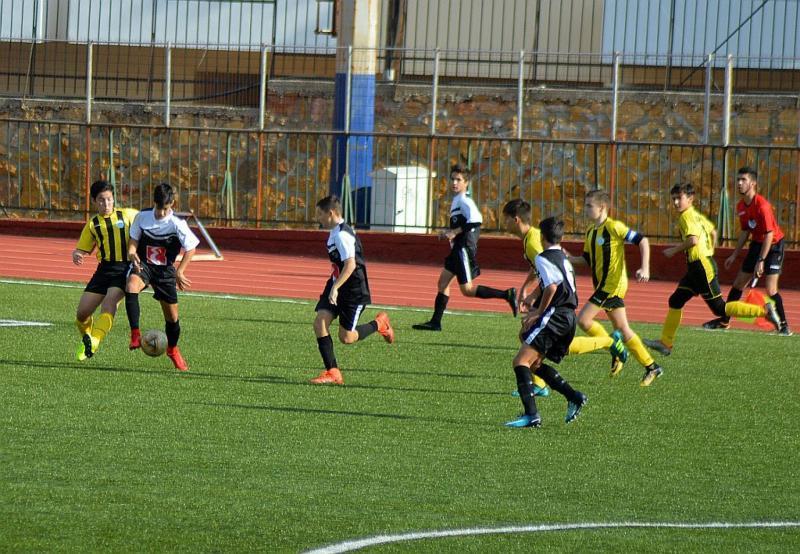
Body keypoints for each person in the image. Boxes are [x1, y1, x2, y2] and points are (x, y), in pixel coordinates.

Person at [643, 183, 781, 371]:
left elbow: (693, 240)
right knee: (676, 300)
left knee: (719, 308)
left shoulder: (686, 216)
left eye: (679, 198)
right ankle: (665, 343)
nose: (675, 202)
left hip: (700, 266)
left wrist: (673, 250)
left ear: (690, 199)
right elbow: (713, 231)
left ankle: (764, 311)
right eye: (673, 198)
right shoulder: (696, 215)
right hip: (698, 266)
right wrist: (710, 251)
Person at [501, 198, 628, 396]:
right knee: (533, 337)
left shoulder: (534, 242)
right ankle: (539, 383)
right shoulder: (530, 239)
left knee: (537, 337)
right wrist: (528, 289)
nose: (503, 223)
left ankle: (608, 343)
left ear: (515, 219)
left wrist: (536, 302)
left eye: (505, 219)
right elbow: (539, 269)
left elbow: (550, 274)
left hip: (556, 301)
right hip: (554, 299)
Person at [565, 190, 663, 387]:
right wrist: (568, 258)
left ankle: (614, 348)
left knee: (583, 320)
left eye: (589, 206)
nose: (585, 209)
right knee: (623, 330)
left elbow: (642, 240)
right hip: (603, 285)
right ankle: (652, 367)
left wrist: (645, 267)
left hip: (612, 285)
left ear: (602, 207)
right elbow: (587, 260)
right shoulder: (591, 231)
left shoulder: (614, 227)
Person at [505, 216, 588, 428]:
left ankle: (531, 415)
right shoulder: (563, 257)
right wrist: (534, 299)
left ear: (542, 237)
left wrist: (538, 314)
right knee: (534, 363)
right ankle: (574, 396)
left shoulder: (543, 258)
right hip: (568, 317)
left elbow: (551, 287)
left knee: (520, 362)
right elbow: (556, 284)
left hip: (556, 316)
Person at [413, 164, 517, 331]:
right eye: (452, 179)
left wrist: (454, 232)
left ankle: (507, 294)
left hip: (463, 250)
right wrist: (448, 232)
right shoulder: (457, 200)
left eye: (458, 180)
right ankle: (435, 322)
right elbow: (462, 224)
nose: (454, 182)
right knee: (442, 283)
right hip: (457, 250)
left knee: (467, 290)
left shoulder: (464, 200)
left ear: (466, 183)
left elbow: (476, 221)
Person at [310, 195, 395, 385]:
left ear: (331, 213)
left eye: (320, 214)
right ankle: (333, 372)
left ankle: (380, 324)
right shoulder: (336, 231)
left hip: (353, 291)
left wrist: (336, 288)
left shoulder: (342, 235)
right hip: (337, 284)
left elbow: (350, 265)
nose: (317, 218)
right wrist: (334, 286)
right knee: (320, 323)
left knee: (346, 338)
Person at [703, 166, 791, 335]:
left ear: (753, 183)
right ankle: (724, 321)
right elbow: (745, 231)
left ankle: (784, 325)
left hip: (774, 245)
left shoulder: (762, 205)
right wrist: (734, 254)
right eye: (738, 179)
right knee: (738, 285)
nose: (739, 183)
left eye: (743, 180)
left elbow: (769, 234)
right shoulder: (741, 206)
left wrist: (761, 261)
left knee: (771, 289)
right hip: (757, 244)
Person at [125, 183, 199, 371]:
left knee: (172, 319)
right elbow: (133, 240)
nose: (161, 213)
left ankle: (172, 350)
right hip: (144, 265)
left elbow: (191, 248)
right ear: (154, 203)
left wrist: (180, 271)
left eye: (165, 208)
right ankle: (135, 334)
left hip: (165, 271)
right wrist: (132, 253)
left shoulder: (177, 223)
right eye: (159, 208)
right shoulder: (142, 217)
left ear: (172, 204)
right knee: (131, 286)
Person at [72, 180, 138, 360]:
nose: (106, 203)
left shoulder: (129, 215)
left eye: (109, 199)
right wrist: (77, 254)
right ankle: (87, 338)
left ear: (113, 199)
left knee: (109, 304)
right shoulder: (93, 224)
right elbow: (82, 248)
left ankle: (95, 341)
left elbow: (148, 224)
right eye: (101, 200)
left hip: (124, 269)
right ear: (94, 201)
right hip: (104, 270)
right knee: (81, 314)